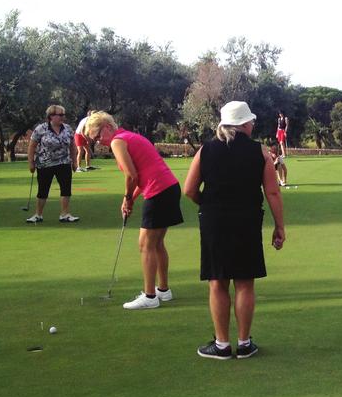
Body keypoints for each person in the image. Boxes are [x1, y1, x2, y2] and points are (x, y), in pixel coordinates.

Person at [184, 101, 285, 360]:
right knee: (244, 282)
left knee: (217, 281)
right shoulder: (259, 151)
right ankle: (243, 342)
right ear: (243, 124)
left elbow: (189, 190)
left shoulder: (206, 150)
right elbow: (272, 191)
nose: (252, 125)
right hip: (247, 219)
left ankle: (221, 344)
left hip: (214, 220)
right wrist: (279, 226)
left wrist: (206, 203)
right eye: (250, 121)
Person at [84, 112, 184, 310]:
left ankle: (149, 296)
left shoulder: (117, 141)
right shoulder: (130, 137)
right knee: (156, 243)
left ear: (106, 127)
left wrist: (128, 198)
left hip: (159, 191)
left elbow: (132, 175)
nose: (98, 142)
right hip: (169, 188)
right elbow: (140, 175)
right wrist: (129, 199)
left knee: (145, 244)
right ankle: (163, 291)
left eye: (97, 136)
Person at [26, 105, 79, 223]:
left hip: (64, 163)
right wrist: (31, 162)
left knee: (66, 189)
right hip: (45, 164)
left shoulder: (67, 128)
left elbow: (72, 145)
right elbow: (32, 146)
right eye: (60, 115)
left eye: (63, 115)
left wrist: (75, 162)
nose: (62, 117)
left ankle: (65, 214)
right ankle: (38, 214)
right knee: (43, 190)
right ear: (51, 116)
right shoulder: (41, 129)